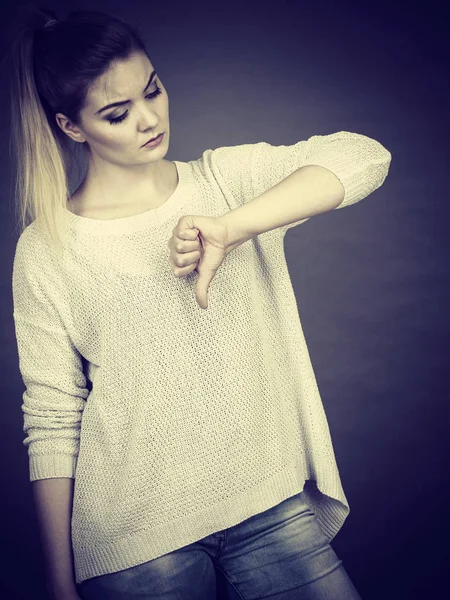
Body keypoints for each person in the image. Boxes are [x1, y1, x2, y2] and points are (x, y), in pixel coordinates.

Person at [9, 6, 391, 600]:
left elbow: (365, 156)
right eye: (117, 113)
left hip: (268, 503)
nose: (149, 118)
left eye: (153, 90)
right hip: (135, 539)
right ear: (72, 126)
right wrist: (60, 588)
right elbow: (54, 415)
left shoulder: (225, 182)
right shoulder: (47, 249)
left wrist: (232, 227)